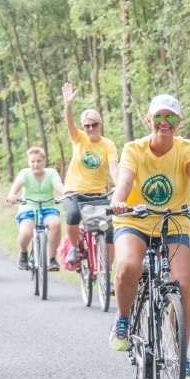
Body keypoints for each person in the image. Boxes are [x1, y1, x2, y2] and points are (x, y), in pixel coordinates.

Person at [108, 93, 190, 379]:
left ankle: (181, 357)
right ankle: (123, 318)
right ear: (149, 120)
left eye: (170, 116)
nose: (164, 122)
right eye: (158, 116)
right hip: (134, 220)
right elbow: (124, 181)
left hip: (174, 221)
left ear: (178, 121)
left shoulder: (187, 148)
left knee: (181, 286)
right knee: (128, 266)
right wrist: (119, 201)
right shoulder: (134, 149)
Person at [60, 82, 119, 267]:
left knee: (109, 230)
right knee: (73, 215)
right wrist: (68, 105)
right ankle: (74, 247)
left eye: (94, 125)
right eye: (87, 126)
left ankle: (106, 270)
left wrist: (119, 185)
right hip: (74, 191)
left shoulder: (108, 145)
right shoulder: (79, 138)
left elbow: (114, 167)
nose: (91, 129)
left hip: (97, 193)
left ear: (100, 125)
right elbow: (69, 123)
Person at [5, 146, 64, 272]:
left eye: (39, 161)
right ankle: (23, 253)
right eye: (33, 161)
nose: (36, 164)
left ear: (44, 161)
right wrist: (12, 194)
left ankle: (52, 259)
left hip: (47, 207)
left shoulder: (51, 173)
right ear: (28, 162)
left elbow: (58, 185)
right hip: (28, 207)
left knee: (55, 224)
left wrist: (65, 194)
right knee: (26, 232)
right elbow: (17, 185)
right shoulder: (25, 173)